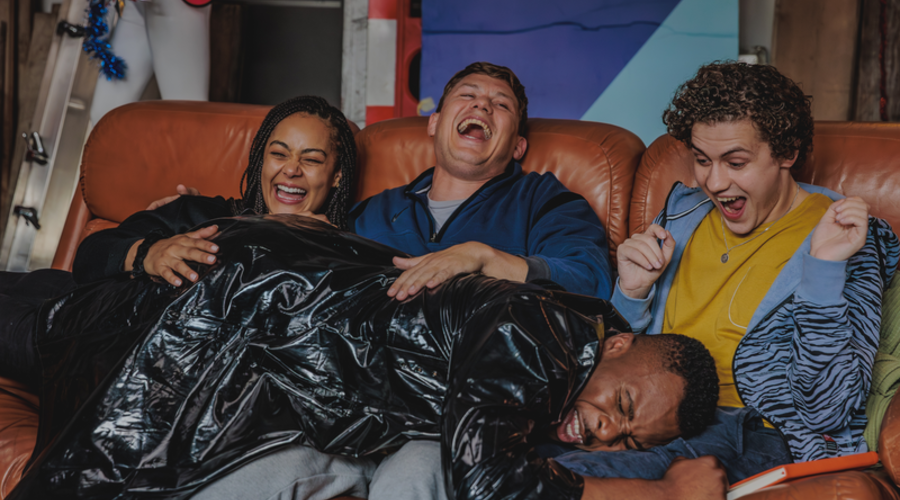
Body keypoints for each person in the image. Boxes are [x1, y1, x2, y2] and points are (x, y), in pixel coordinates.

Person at [9, 214, 723, 500]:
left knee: (41, 317)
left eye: (625, 439)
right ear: (619, 342)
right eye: (620, 408)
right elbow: (489, 484)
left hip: (226, 323)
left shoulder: (561, 357)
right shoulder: (539, 339)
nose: (603, 431)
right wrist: (663, 495)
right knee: (44, 330)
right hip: (199, 326)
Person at [551, 61, 900, 486]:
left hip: (754, 433)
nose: (714, 182)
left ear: (787, 153)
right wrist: (632, 293)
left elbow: (827, 409)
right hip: (647, 417)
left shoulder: (846, 237)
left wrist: (823, 273)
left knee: (558, 479)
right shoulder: (681, 213)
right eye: (702, 160)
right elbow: (621, 357)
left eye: (736, 162)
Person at [0, 95, 358, 391]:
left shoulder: (338, 258)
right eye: (279, 154)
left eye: (311, 160)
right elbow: (89, 257)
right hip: (61, 293)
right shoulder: (205, 214)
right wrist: (148, 253)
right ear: (261, 161)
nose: (291, 170)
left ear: (337, 175)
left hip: (64, 337)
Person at [350, 62, 613, 300]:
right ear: (434, 123)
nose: (482, 105)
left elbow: (590, 280)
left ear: (517, 147)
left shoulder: (545, 201)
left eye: (501, 105)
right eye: (467, 95)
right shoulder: (374, 210)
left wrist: (485, 259)